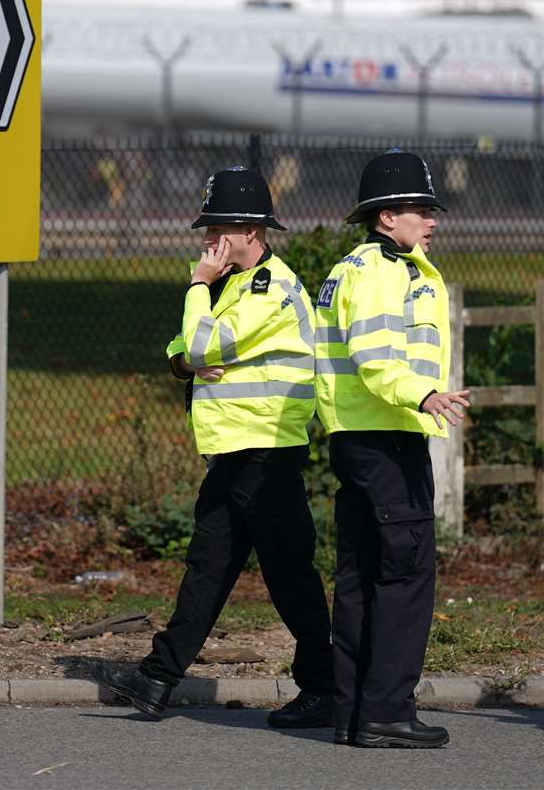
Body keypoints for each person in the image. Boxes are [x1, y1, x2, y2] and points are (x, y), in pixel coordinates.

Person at [97, 166, 336, 729]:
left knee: (287, 573)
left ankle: (324, 686)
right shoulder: (231, 284)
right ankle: (158, 679)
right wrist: (189, 353)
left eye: (218, 227)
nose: (207, 239)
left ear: (252, 230)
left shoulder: (269, 288)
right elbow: (181, 351)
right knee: (210, 565)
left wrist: (196, 287)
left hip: (266, 448)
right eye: (206, 227)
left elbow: (200, 342)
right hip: (237, 450)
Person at [314, 151, 470, 749]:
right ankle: (387, 713)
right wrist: (423, 394)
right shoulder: (383, 271)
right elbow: (375, 357)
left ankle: (353, 713)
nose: (431, 221)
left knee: (359, 576)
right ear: (386, 218)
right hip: (387, 437)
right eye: (420, 210)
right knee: (405, 578)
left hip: (359, 439)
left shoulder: (360, 266)